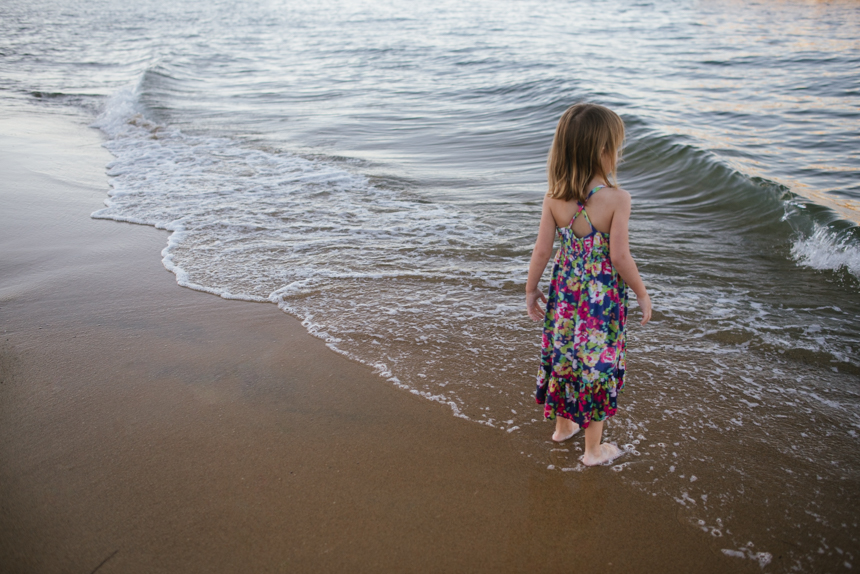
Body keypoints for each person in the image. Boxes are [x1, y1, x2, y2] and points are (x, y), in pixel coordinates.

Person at [525, 103, 651, 467]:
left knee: (565, 357)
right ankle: (593, 451)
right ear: (603, 151)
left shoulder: (554, 198)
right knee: (596, 364)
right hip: (599, 304)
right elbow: (620, 258)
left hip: (564, 298)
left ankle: (563, 427)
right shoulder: (617, 200)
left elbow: (542, 251)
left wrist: (531, 290)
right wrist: (641, 293)